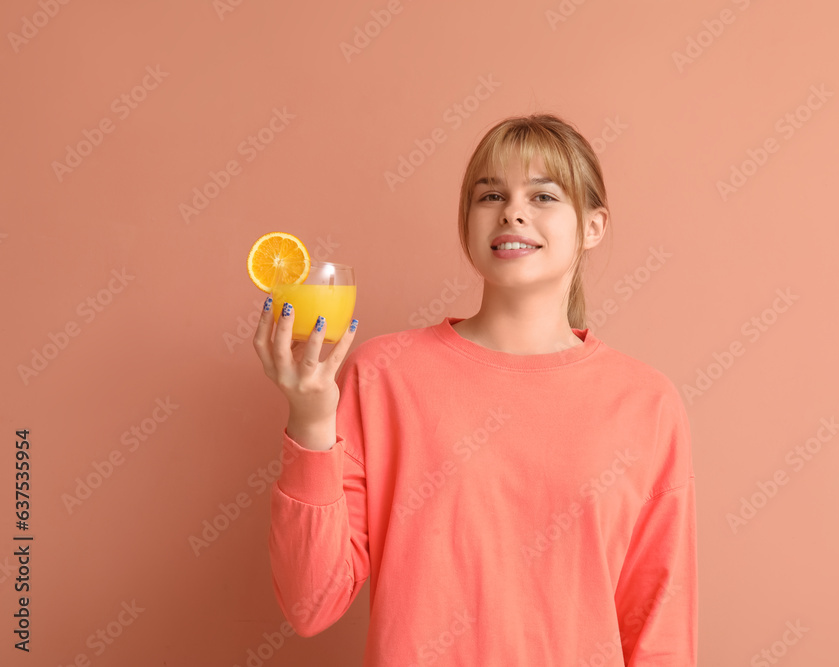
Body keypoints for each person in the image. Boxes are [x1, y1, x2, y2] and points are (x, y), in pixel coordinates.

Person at [254, 113, 697, 665]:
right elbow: (310, 603)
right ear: (467, 222)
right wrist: (312, 421)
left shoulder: (645, 403)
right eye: (491, 194)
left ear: (594, 226)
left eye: (543, 196)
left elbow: (658, 629)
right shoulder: (385, 374)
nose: (512, 211)